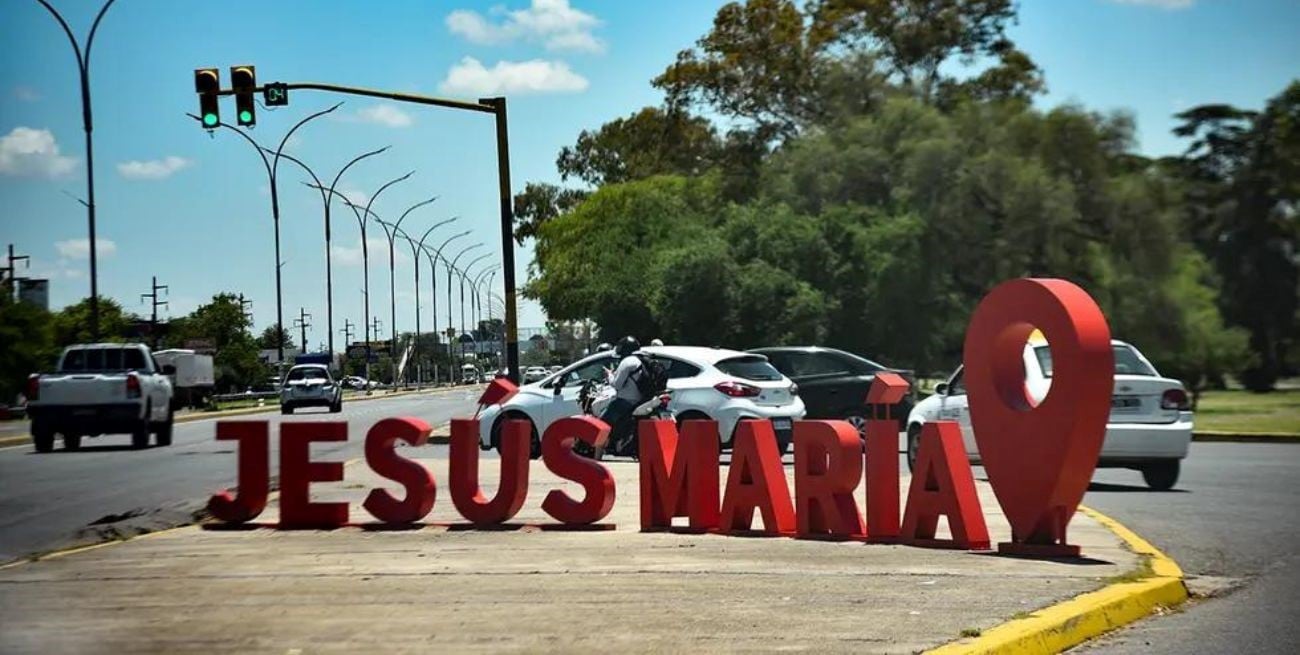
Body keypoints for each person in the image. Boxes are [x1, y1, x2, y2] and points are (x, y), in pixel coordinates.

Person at [600, 336, 643, 451]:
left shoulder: (627, 361)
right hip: (641, 400)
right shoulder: (641, 359)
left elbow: (616, 384)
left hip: (626, 401)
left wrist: (609, 375)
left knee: (601, 424)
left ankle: (597, 455)